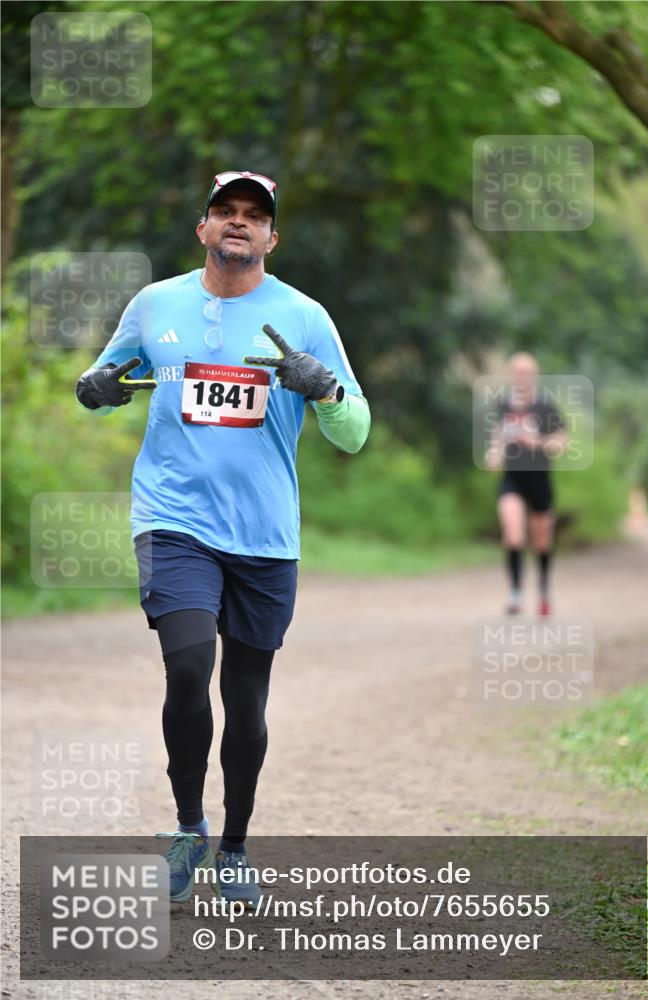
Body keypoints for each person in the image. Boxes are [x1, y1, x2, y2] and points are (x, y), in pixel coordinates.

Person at [75, 170, 370, 904]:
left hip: (264, 535)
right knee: (186, 666)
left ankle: (234, 845)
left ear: (273, 237)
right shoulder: (155, 304)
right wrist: (95, 389)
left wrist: (324, 389)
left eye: (254, 215)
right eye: (225, 211)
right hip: (173, 520)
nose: (239, 222)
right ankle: (188, 827)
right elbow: (106, 380)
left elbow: (354, 432)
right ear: (203, 228)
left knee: (246, 699)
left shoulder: (304, 316)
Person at [484, 353, 567, 616]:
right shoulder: (504, 405)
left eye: (527, 372)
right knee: (513, 533)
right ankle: (515, 593)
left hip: (539, 478)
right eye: (517, 372)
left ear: (535, 376)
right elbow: (498, 435)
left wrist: (538, 443)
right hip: (513, 478)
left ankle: (543, 590)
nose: (522, 377)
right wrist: (494, 453)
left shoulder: (545, 406)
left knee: (542, 540)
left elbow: (562, 442)